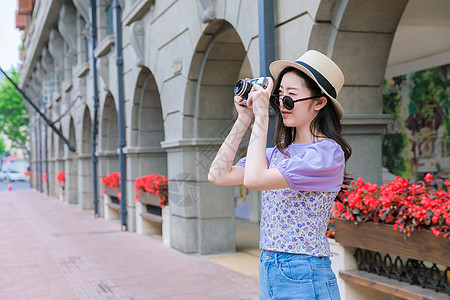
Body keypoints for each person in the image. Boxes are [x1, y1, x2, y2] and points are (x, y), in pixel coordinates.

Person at [208, 50, 351, 299]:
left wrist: (261, 117)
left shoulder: (327, 154)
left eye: (291, 98)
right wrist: (244, 119)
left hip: (304, 271)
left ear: (319, 102)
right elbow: (218, 175)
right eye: (280, 97)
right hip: (269, 267)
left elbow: (254, 181)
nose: (282, 105)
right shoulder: (277, 154)